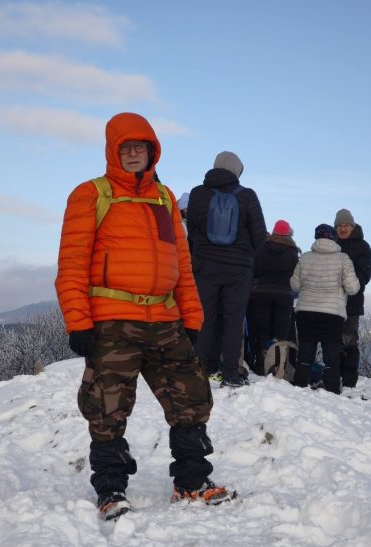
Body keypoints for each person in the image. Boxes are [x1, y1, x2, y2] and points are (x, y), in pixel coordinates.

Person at [55, 112, 234, 521]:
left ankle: (191, 481)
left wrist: (192, 315)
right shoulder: (91, 194)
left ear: (153, 151)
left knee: (191, 398)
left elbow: (182, 264)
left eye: (142, 147)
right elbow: (72, 263)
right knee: (107, 407)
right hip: (113, 318)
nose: (134, 153)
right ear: (113, 151)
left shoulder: (164, 197)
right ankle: (111, 489)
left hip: (165, 318)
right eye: (127, 147)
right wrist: (78, 321)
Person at [187, 151, 267, 387]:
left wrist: (203, 251)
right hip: (238, 269)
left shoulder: (198, 194)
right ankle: (230, 371)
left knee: (205, 317)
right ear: (237, 170)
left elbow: (191, 230)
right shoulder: (247, 196)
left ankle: (201, 367)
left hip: (205, 267)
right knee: (233, 319)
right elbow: (260, 235)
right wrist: (244, 255)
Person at [291, 224, 360, 394]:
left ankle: (300, 385)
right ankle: (331, 389)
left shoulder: (305, 258)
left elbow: (294, 285)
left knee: (305, 354)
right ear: (333, 239)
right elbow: (353, 288)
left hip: (305, 312)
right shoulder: (343, 259)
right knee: (331, 356)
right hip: (332, 315)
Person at [247, 219, 299, 375]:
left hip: (262, 293)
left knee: (262, 329)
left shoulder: (262, 248)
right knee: (281, 332)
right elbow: (296, 275)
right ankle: (279, 365)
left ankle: (260, 363)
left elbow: (253, 271)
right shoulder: (292, 251)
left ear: (274, 232)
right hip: (284, 294)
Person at [334, 208, 371, 389]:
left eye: (346, 226)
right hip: (330, 302)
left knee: (349, 341)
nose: (342, 229)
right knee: (332, 340)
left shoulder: (363, 247)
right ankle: (333, 377)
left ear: (352, 226)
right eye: (339, 226)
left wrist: (345, 280)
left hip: (352, 302)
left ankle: (349, 382)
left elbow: (365, 276)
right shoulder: (331, 244)